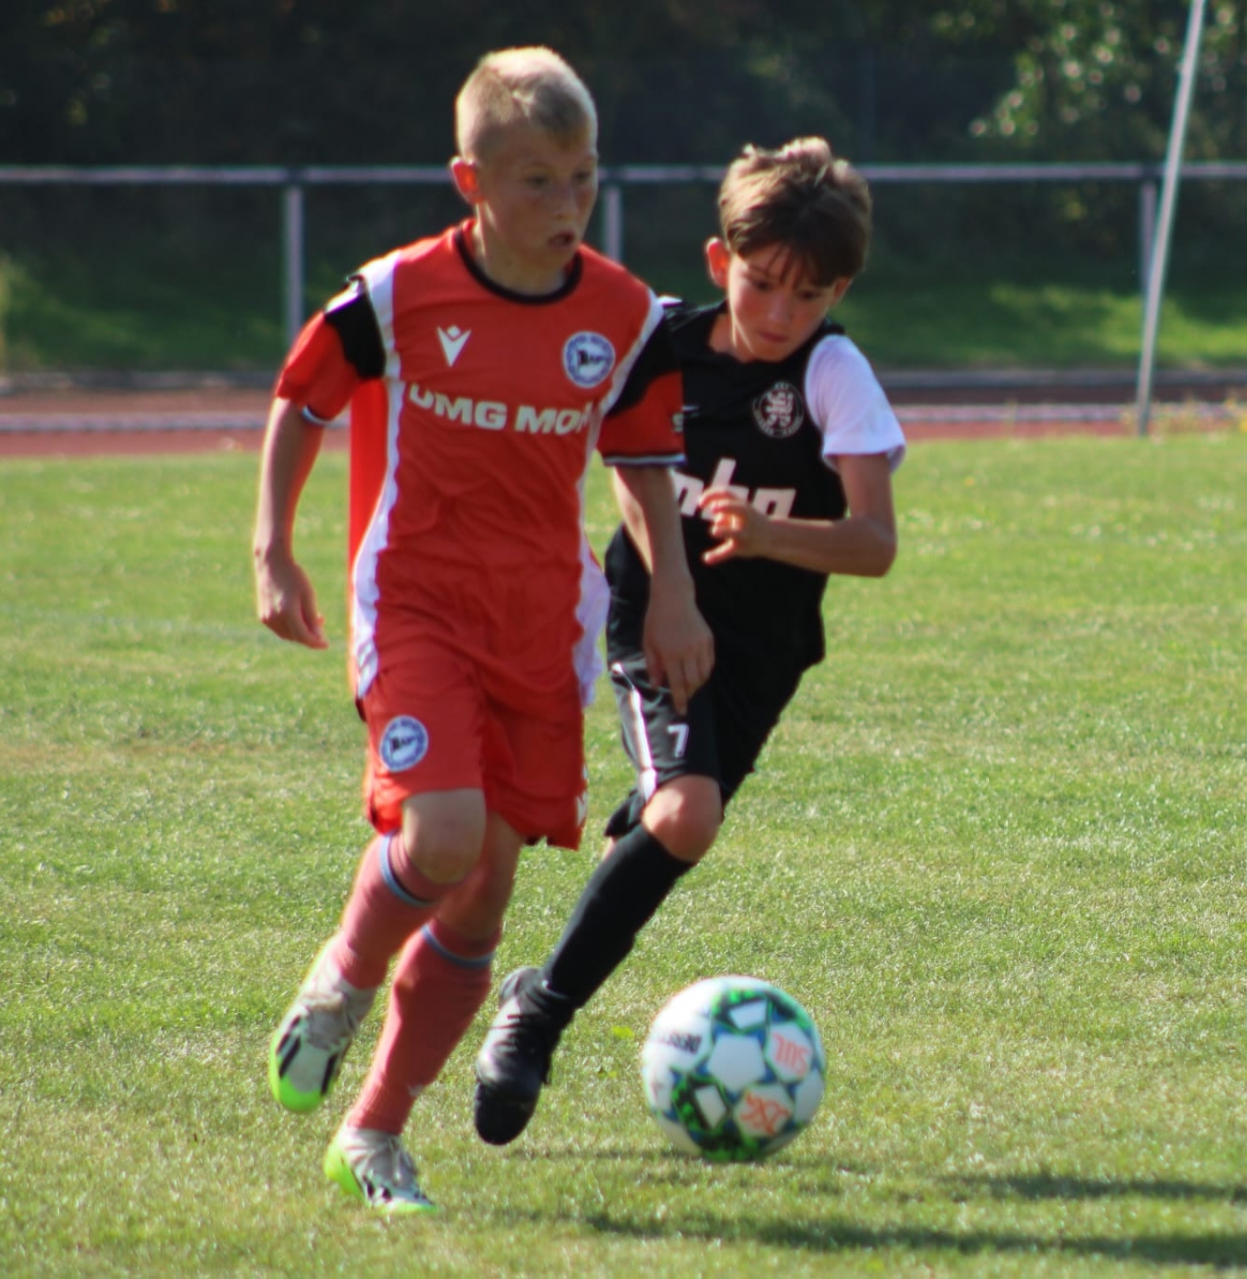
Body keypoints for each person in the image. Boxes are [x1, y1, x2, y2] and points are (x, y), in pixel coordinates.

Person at [253, 47, 712, 1214]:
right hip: (415, 597)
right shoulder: (397, 294)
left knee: (483, 894)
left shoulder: (625, 315)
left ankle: (373, 1136)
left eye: (583, 176)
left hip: (541, 620)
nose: (568, 203)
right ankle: (343, 978)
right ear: (472, 182)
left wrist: (672, 592)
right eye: (537, 181)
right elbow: (302, 398)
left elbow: (643, 464)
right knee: (445, 831)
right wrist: (272, 549)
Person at [471, 136, 905, 1146]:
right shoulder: (660, 340)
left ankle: (564, 945)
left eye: (808, 296)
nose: (780, 314)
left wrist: (766, 535)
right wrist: (672, 590)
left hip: (763, 654)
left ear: (838, 291)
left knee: (669, 825)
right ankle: (537, 1015)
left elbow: (875, 543)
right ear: (722, 262)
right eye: (762, 285)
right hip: (652, 616)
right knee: (689, 813)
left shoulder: (835, 371)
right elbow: (622, 459)